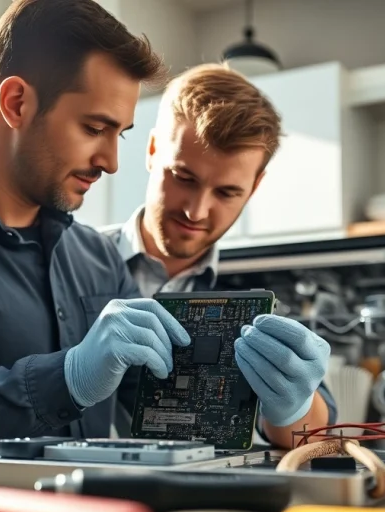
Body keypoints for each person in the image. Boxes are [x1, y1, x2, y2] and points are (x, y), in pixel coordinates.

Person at [0, 0, 329, 487]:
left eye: (120, 135)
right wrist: (69, 377)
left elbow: (176, 414)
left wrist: (290, 408)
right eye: (94, 128)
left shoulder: (98, 260)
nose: (110, 162)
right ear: (16, 103)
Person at [103, 64, 337, 448]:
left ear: (254, 187)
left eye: (227, 193)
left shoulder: (256, 297)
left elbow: (312, 432)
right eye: (183, 177)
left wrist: (294, 409)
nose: (196, 211)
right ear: (151, 150)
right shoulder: (68, 258)